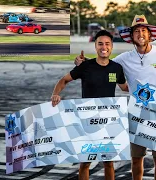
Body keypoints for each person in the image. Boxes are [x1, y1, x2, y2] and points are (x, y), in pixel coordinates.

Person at [75, 15, 156, 180]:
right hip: (137, 115)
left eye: (144, 31)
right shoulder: (124, 59)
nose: (140, 34)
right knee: (136, 159)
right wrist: (84, 63)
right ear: (132, 36)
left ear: (150, 35)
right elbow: (104, 66)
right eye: (137, 31)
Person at [51, 30, 128, 180]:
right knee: (85, 162)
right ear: (95, 46)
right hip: (87, 120)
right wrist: (56, 94)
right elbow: (64, 80)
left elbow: (125, 87)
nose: (103, 47)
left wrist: (149, 91)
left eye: (107, 44)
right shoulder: (85, 66)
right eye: (100, 44)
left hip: (108, 121)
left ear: (112, 46)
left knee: (108, 163)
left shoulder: (116, 68)